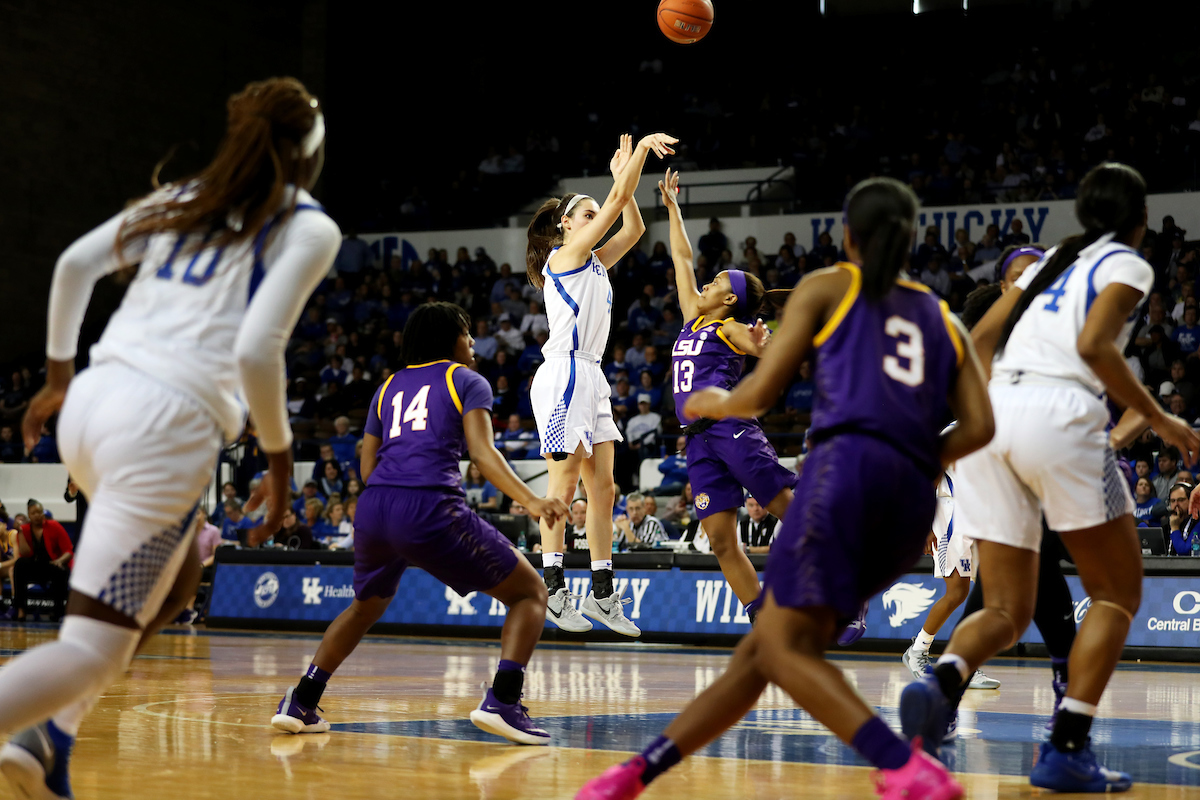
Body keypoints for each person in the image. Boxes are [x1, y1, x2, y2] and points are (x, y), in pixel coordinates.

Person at [577, 176, 994, 800]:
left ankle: (904, 765)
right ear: (909, 242)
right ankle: (636, 774)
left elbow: (763, 389)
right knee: (766, 649)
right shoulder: (941, 318)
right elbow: (982, 425)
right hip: (906, 501)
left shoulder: (828, 287)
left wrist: (724, 399)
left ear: (848, 235)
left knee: (778, 648)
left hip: (841, 477)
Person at [0, 77, 338, 800]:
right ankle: (39, 724)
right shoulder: (307, 223)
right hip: (164, 427)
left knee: (180, 573)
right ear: (310, 154)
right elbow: (255, 353)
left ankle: (47, 739)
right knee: (91, 649)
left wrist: (57, 378)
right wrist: (280, 463)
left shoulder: (186, 195)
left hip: (91, 404)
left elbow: (72, 266)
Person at [901, 163, 1200, 793]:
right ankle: (1066, 747)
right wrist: (1158, 415)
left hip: (996, 415)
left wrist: (979, 422)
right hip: (1061, 417)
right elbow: (1095, 346)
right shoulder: (1127, 260)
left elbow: (978, 339)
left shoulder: (1048, 264)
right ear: (1141, 219)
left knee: (1007, 609)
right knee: (1117, 597)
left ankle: (942, 684)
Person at [271, 303, 567, 745]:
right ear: (451, 339)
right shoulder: (466, 380)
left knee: (364, 607)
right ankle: (504, 700)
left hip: (374, 508)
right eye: (468, 335)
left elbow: (367, 467)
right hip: (428, 505)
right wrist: (532, 500)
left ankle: (302, 700)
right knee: (530, 593)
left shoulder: (387, 385)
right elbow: (483, 456)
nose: (472, 344)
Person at [525, 132, 676, 636]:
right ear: (566, 225)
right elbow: (615, 206)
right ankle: (552, 589)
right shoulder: (562, 259)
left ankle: (602, 595)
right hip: (564, 372)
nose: (595, 220)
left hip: (591, 374)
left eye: (594, 216)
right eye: (585, 216)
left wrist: (624, 186)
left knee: (605, 489)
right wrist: (630, 165)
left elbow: (631, 226)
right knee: (563, 488)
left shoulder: (594, 261)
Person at [659, 168, 796, 622]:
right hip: (696, 438)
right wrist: (674, 210)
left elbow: (758, 344)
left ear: (731, 299)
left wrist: (763, 343)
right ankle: (764, 621)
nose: (705, 283)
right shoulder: (691, 319)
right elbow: (681, 259)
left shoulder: (728, 326)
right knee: (720, 540)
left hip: (729, 427)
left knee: (786, 510)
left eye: (716, 281)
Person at [6, 502, 74, 621]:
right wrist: (20, 533)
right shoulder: (25, 529)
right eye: (34, 513)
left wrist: (59, 561)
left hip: (53, 564)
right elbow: (25, 554)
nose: (37, 515)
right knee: (20, 564)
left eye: (39, 512)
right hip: (35, 565)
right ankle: (21, 610)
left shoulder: (54, 526)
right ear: (29, 515)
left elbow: (68, 550)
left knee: (61, 571)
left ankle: (57, 612)